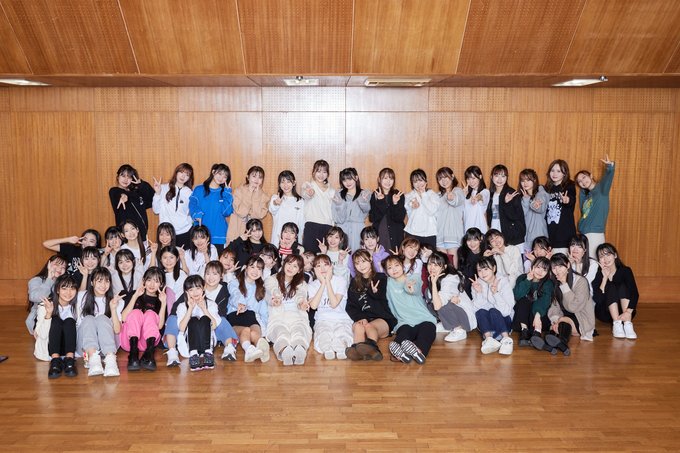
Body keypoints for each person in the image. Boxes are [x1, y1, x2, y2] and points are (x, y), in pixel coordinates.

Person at [383, 255, 436, 364]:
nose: (394, 270)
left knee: (426, 334)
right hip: (404, 321)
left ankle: (418, 351)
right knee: (402, 336)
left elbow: (414, 288)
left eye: (396, 265)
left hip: (424, 319)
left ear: (403, 266)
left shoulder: (413, 278)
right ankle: (403, 353)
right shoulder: (388, 283)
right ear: (386, 271)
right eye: (389, 268)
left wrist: (410, 288)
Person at [345, 250, 396, 361]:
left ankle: (373, 347)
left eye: (363, 261)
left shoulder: (381, 278)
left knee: (369, 326)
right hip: (363, 319)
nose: (361, 265)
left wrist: (375, 292)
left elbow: (385, 298)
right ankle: (358, 350)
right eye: (357, 263)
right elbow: (350, 306)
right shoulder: (354, 282)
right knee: (358, 326)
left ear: (371, 259)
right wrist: (360, 317)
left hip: (382, 319)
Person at [264, 255, 311, 365]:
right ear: (284, 264)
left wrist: (301, 303)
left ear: (299, 270)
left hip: (297, 316)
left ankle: (300, 350)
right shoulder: (271, 279)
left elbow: (301, 295)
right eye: (289, 264)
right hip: (278, 317)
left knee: (299, 331)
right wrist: (275, 298)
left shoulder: (302, 283)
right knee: (281, 332)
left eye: (295, 266)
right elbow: (270, 291)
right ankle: (285, 351)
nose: (290, 268)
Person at [76, 268, 123, 377]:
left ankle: (111, 362)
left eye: (107, 281)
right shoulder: (81, 296)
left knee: (102, 318)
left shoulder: (116, 300)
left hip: (108, 348)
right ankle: (93, 359)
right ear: (92, 282)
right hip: (85, 347)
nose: (103, 285)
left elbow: (117, 330)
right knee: (89, 319)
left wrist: (113, 309)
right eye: (99, 281)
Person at [120, 267, 168, 372]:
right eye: (149, 280)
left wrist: (164, 303)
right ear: (143, 281)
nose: (152, 284)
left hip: (147, 343)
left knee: (150, 314)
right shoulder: (134, 294)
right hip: (129, 341)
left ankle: (149, 354)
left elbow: (159, 326)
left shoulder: (160, 300)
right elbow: (123, 318)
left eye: (156, 281)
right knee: (136, 312)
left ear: (161, 284)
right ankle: (133, 355)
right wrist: (135, 296)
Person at [424, 252, 477, 342]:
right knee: (428, 294)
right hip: (454, 312)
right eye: (430, 264)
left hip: (465, 318)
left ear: (444, 267)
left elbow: (437, 306)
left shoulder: (451, 279)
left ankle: (459, 329)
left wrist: (433, 284)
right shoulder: (434, 277)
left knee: (441, 303)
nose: (432, 268)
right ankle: (447, 325)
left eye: (436, 265)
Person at [307, 254, 353, 360]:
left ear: (331, 266)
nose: (322, 268)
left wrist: (327, 281)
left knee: (342, 333)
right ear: (314, 269)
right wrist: (323, 283)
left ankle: (341, 347)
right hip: (322, 319)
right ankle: (327, 348)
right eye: (318, 266)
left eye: (325, 265)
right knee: (323, 334)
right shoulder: (312, 285)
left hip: (342, 319)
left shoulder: (340, 281)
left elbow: (334, 303)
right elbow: (313, 306)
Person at [34, 274, 79, 379]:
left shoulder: (77, 306)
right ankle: (55, 361)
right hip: (50, 349)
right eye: (64, 288)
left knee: (69, 321)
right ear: (57, 290)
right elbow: (41, 335)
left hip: (70, 347)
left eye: (72, 288)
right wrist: (48, 314)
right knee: (55, 320)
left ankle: (69, 360)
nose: (68, 292)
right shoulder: (45, 306)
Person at [227, 257, 270, 362]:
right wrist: (240, 303)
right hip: (235, 314)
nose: (255, 271)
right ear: (245, 268)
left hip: (251, 316)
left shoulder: (260, 288)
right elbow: (235, 294)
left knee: (255, 332)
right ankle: (249, 349)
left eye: (259, 269)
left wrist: (266, 328)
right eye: (252, 267)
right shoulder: (235, 282)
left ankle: (261, 349)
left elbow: (263, 311)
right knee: (246, 330)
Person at [592, 243, 639, 340]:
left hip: (625, 311)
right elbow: (598, 299)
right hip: (605, 313)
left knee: (622, 286)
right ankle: (617, 324)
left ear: (615, 255)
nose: (605, 259)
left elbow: (635, 293)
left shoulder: (625, 271)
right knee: (611, 286)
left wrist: (628, 312)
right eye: (602, 256)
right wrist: (604, 278)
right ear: (599, 260)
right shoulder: (599, 274)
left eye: (608, 254)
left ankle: (627, 324)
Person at [549, 254, 596, 346]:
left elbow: (574, 307)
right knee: (555, 324)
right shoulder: (555, 282)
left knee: (563, 321)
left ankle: (561, 343)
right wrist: (555, 320)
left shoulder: (581, 281)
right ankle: (556, 344)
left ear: (568, 265)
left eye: (560, 266)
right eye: (554, 268)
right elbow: (554, 306)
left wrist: (564, 284)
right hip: (565, 316)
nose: (557, 270)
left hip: (581, 318)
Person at [471, 256, 515, 355]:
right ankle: (489, 340)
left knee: (493, 311)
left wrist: (496, 293)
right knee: (480, 312)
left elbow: (506, 311)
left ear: (494, 268)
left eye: (486, 269)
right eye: (479, 270)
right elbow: (475, 310)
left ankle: (507, 340)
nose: (483, 273)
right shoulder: (477, 284)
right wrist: (479, 293)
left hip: (504, 324)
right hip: (487, 328)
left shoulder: (503, 282)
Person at [177, 275, 220, 371]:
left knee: (204, 318)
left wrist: (204, 309)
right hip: (189, 346)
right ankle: (194, 355)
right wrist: (190, 309)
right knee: (193, 320)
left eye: (198, 288)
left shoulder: (211, 304)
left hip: (208, 343)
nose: (195, 292)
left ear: (203, 288)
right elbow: (182, 328)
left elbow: (214, 326)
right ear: (186, 292)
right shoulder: (182, 306)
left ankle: (208, 354)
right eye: (191, 290)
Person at [511, 257, 555, 352]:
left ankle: (536, 333)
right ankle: (524, 332)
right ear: (532, 266)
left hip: (539, 319)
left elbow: (545, 300)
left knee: (536, 303)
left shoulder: (548, 283)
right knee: (524, 300)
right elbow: (517, 295)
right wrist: (527, 280)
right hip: (523, 318)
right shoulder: (522, 278)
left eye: (544, 269)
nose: (540, 271)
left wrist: (538, 315)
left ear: (548, 272)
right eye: (538, 267)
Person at [576, 155, 616, 257]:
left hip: (595, 234)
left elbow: (608, 178)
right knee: (583, 263)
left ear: (591, 176)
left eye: (584, 177)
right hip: (583, 233)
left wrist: (610, 166)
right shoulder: (586, 197)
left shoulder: (602, 189)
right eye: (579, 181)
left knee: (594, 262)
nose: (582, 181)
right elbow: (584, 212)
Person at [189, 163, 234, 253]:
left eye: (225, 176)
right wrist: (197, 213)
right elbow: (192, 204)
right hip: (201, 235)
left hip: (219, 235)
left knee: (217, 261)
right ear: (213, 172)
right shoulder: (199, 189)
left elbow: (226, 212)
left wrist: (227, 194)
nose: (221, 178)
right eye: (219, 174)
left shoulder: (224, 193)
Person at [152, 163, 194, 249]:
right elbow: (156, 210)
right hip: (166, 234)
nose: (183, 176)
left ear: (189, 178)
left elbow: (192, 211)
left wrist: (188, 222)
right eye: (181, 172)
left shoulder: (189, 193)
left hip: (184, 231)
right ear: (176, 172)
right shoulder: (163, 188)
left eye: (187, 174)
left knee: (183, 256)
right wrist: (157, 193)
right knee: (166, 256)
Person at [109, 164, 154, 241]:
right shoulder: (114, 191)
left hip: (141, 235)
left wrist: (141, 184)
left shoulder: (137, 193)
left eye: (129, 177)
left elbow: (152, 198)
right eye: (123, 176)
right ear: (117, 177)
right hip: (125, 235)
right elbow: (119, 193)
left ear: (133, 178)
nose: (126, 179)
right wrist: (123, 196)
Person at [226, 166, 269, 246]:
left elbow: (258, 215)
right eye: (254, 176)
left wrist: (256, 196)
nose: (257, 179)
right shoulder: (238, 191)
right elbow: (241, 212)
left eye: (260, 177)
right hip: (237, 231)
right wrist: (250, 194)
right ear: (248, 177)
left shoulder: (264, 196)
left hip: (253, 235)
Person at [486, 164, 526, 249]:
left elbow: (517, 216)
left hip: (512, 237)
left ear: (507, 178)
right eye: (497, 176)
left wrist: (507, 203)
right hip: (496, 235)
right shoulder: (491, 194)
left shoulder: (511, 193)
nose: (500, 179)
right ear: (491, 177)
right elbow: (491, 216)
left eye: (503, 176)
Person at [332, 167, 371, 252]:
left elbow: (366, 212)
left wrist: (363, 201)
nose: (347, 182)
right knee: (341, 255)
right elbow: (338, 219)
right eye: (344, 180)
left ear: (356, 178)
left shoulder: (364, 194)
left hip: (358, 229)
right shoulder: (338, 194)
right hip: (342, 229)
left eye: (350, 179)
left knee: (357, 255)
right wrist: (340, 205)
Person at [26, 255, 67, 334]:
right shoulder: (36, 280)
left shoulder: (64, 283)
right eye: (57, 264)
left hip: (58, 318)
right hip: (40, 320)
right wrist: (49, 279)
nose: (59, 269)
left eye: (63, 267)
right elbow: (35, 297)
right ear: (49, 264)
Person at [301, 160, 335, 254]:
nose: (321, 175)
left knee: (324, 257)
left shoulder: (332, 190)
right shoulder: (308, 185)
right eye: (318, 171)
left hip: (327, 226)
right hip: (312, 225)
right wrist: (309, 193)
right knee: (309, 255)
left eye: (324, 172)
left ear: (328, 174)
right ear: (313, 172)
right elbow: (305, 194)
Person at [369, 167, 406, 252]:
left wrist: (395, 203)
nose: (388, 181)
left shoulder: (398, 195)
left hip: (395, 232)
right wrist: (380, 201)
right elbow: (372, 218)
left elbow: (399, 218)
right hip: (380, 232)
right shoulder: (375, 194)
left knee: (395, 257)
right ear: (379, 179)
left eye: (391, 178)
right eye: (385, 178)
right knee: (380, 257)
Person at [434, 167, 465, 265]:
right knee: (442, 267)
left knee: (452, 267)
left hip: (453, 236)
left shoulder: (458, 191)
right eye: (440, 178)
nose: (443, 181)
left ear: (452, 176)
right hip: (440, 237)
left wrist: (451, 198)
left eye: (446, 177)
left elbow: (456, 200)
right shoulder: (438, 195)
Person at [544, 159, 576, 254]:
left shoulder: (569, 186)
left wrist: (567, 200)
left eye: (558, 171)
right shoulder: (547, 189)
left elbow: (571, 198)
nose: (555, 174)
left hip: (564, 235)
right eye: (552, 170)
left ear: (564, 173)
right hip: (549, 235)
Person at [269, 170, 305, 247]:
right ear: (279, 184)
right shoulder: (275, 198)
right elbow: (272, 209)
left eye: (288, 182)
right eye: (282, 182)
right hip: (278, 239)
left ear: (294, 183)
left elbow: (301, 223)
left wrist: (300, 242)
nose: (285, 185)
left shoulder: (300, 201)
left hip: (293, 241)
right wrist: (276, 203)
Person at [404, 169, 439, 248]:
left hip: (430, 233)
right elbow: (408, 205)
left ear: (426, 181)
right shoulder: (409, 195)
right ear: (412, 183)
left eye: (420, 180)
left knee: (430, 255)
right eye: (415, 181)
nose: (418, 184)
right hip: (412, 232)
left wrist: (423, 194)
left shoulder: (433, 195)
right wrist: (412, 205)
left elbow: (431, 211)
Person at [518, 169, 549, 252]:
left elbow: (540, 208)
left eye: (528, 180)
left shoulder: (541, 193)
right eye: (523, 181)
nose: (525, 183)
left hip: (540, 237)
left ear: (534, 180)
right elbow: (521, 215)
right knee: (528, 260)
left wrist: (534, 205)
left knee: (541, 260)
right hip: (527, 238)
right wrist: (526, 200)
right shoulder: (522, 197)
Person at [462, 166, 489, 234]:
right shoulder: (466, 194)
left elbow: (480, 196)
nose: (471, 181)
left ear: (480, 176)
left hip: (480, 231)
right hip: (467, 231)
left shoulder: (485, 191)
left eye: (473, 178)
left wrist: (475, 198)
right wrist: (463, 195)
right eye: (468, 179)